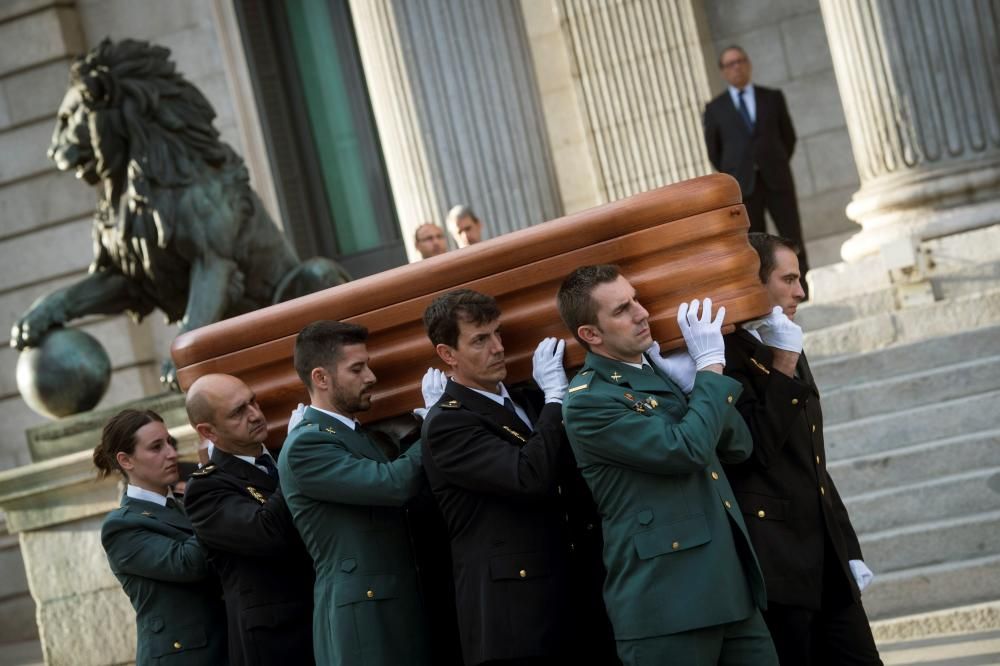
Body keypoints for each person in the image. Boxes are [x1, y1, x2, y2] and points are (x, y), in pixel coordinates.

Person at [557, 264, 778, 665]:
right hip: (667, 607)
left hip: (730, 589)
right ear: (591, 334)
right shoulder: (588, 401)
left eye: (637, 299)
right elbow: (685, 451)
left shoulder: (659, 373)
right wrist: (709, 371)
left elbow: (738, 446)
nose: (642, 313)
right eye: (622, 309)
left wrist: (694, 384)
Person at [420, 289, 618, 666]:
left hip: (571, 602)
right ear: (448, 355)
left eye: (497, 333)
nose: (498, 348)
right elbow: (528, 475)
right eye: (480, 340)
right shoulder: (449, 423)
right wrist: (556, 398)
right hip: (515, 624)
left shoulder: (524, 401)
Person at [723, 233, 882, 665]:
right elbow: (754, 450)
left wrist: (847, 548)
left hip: (826, 560)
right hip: (780, 567)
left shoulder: (783, 340)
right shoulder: (724, 357)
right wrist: (783, 365)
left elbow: (815, 464)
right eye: (789, 279)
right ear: (754, 283)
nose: (801, 292)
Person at [278, 320, 432, 666]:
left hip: (392, 607)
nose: (371, 377)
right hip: (365, 619)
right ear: (321, 378)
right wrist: (435, 427)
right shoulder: (308, 443)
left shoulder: (352, 433)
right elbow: (393, 484)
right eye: (357, 368)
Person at [183, 373, 315, 666]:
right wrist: (294, 458)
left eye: (252, 402)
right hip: (278, 643)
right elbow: (268, 532)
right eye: (238, 413)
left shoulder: (280, 456)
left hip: (323, 619)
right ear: (209, 431)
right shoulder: (206, 488)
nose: (255, 415)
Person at [93, 409, 227, 666]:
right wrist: (211, 489)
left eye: (169, 442)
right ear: (126, 460)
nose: (171, 453)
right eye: (156, 447)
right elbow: (190, 562)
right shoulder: (122, 526)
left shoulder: (184, 504)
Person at [703, 45, 809, 285]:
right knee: (755, 242)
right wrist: (737, 173)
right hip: (744, 187)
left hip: (777, 178)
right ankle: (767, 292)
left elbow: (788, 138)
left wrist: (775, 161)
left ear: (748, 64)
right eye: (730, 64)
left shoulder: (772, 98)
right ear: (723, 71)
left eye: (740, 61)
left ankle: (802, 286)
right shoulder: (715, 109)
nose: (737, 67)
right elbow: (715, 152)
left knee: (790, 234)